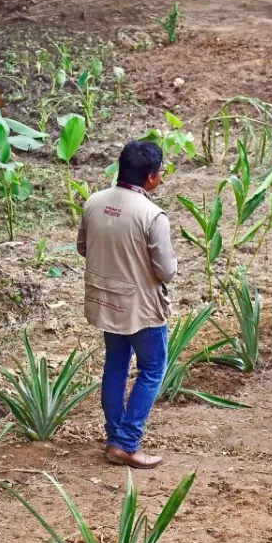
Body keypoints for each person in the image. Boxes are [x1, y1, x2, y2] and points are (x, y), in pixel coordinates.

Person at [77, 140, 177, 468]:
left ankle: (113, 436)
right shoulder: (152, 215)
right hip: (142, 308)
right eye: (160, 172)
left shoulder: (94, 202)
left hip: (106, 301)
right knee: (152, 369)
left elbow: (83, 248)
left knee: (116, 366)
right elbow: (166, 270)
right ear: (150, 178)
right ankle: (127, 441)